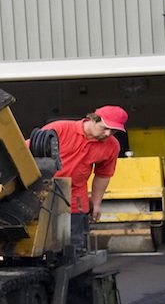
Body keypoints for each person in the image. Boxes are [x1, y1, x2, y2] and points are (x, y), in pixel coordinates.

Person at [40, 105, 129, 252]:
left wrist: (97, 203)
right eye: (104, 128)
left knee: (74, 241)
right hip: (41, 190)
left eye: (113, 131)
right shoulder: (59, 129)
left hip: (75, 196)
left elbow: (103, 175)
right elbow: (25, 153)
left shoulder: (112, 146)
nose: (108, 134)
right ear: (93, 119)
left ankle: (73, 266)